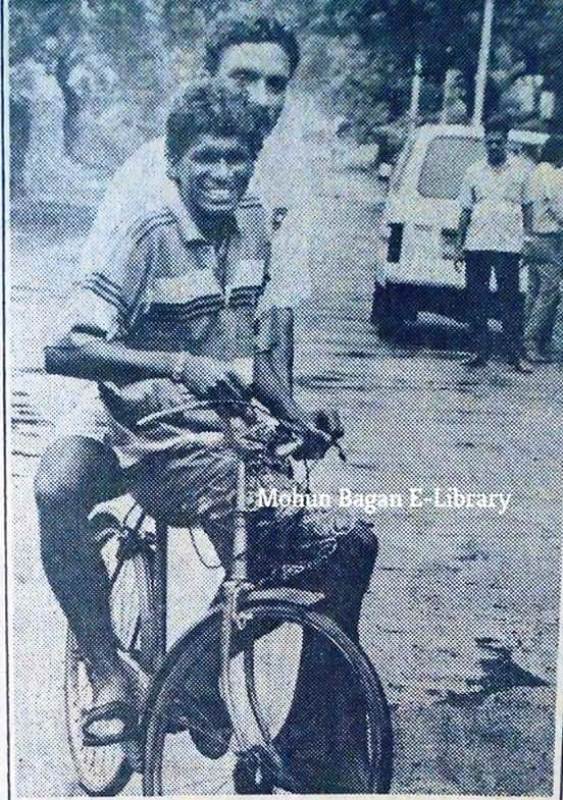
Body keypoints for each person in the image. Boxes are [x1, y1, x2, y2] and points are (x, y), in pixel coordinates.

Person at [34, 79, 377, 792]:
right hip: (154, 439)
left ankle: (231, 699)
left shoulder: (254, 222)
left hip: (225, 436)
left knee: (345, 548)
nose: (223, 176)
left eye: (238, 161)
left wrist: (294, 413)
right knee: (59, 490)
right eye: (207, 160)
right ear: (174, 161)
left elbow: (249, 352)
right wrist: (176, 364)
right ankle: (125, 671)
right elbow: (65, 349)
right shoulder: (145, 232)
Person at [82, 10, 313, 386]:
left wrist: (286, 419)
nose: (260, 98)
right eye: (243, 78)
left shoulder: (284, 181)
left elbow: (278, 312)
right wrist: (177, 370)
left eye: (276, 84)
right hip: (136, 401)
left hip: (221, 403)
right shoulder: (147, 174)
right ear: (207, 79)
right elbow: (97, 317)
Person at [455, 115, 534, 372]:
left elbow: (528, 208)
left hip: (509, 245)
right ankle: (479, 351)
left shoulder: (521, 171)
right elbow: (465, 210)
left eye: (498, 142)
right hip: (478, 243)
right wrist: (459, 245)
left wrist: (528, 241)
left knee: (510, 300)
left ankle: (515, 354)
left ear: (506, 141)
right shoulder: (473, 172)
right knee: (476, 299)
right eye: (489, 142)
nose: (493, 147)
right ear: (484, 142)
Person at [523, 134, 563, 362]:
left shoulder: (535, 172)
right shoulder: (552, 174)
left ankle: (524, 338)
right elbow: (557, 206)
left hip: (533, 237)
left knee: (534, 290)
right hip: (549, 238)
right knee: (548, 293)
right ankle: (530, 341)